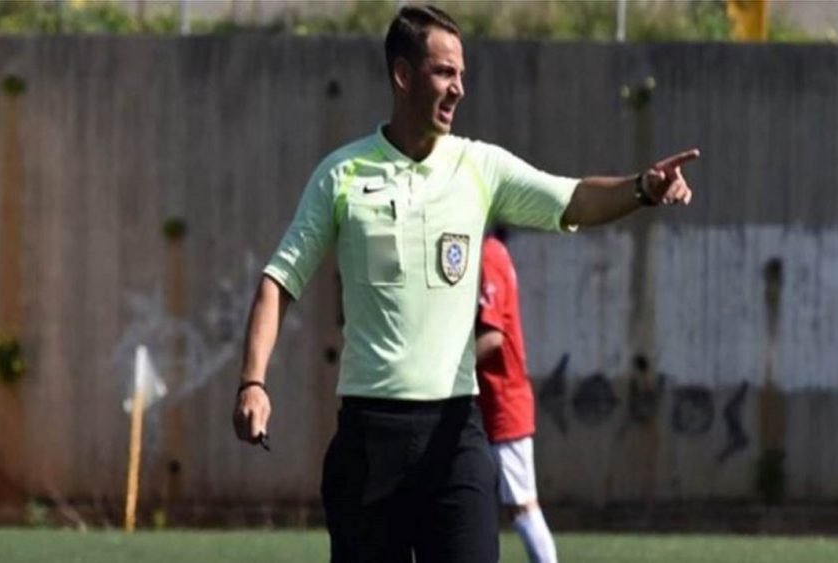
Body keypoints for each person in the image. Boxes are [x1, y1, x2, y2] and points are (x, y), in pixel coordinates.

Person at [232, 5, 698, 561]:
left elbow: (573, 198)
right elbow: (279, 281)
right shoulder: (342, 174)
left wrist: (642, 188)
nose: (458, 88)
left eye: (461, 74)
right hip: (369, 440)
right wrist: (252, 383)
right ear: (403, 76)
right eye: (444, 72)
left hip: (455, 436)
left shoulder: (479, 167)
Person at [476, 227, 558, 563]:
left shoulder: (488, 255)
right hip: (485, 402)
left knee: (521, 505)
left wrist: (446, 367)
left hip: (502, 401)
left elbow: (492, 337)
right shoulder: (489, 252)